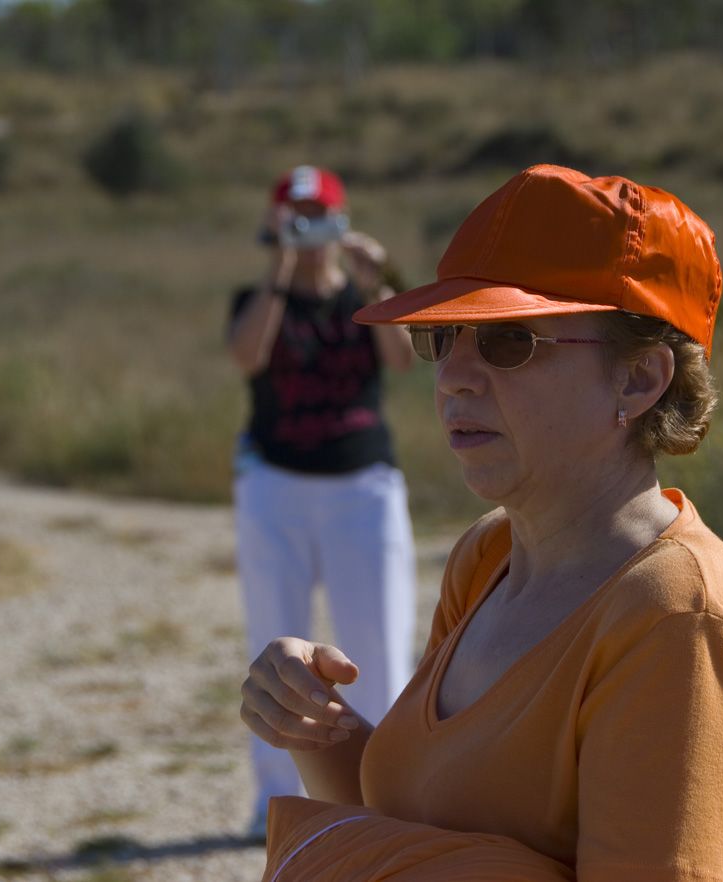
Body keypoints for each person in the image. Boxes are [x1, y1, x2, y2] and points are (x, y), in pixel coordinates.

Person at [239, 164, 723, 880]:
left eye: (510, 342)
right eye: (445, 338)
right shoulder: (489, 558)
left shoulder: (680, 623)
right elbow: (416, 825)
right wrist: (315, 726)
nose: (454, 377)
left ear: (639, 379)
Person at [226, 165, 417, 841]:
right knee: (273, 641)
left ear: (342, 220)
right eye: (296, 220)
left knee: (380, 642)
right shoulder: (258, 296)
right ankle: (278, 800)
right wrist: (280, 270)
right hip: (276, 484)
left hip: (361, 487)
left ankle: (389, 792)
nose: (311, 235)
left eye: (320, 218)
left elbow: (402, 359)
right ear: (276, 223)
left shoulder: (364, 297)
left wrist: (377, 281)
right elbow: (247, 356)